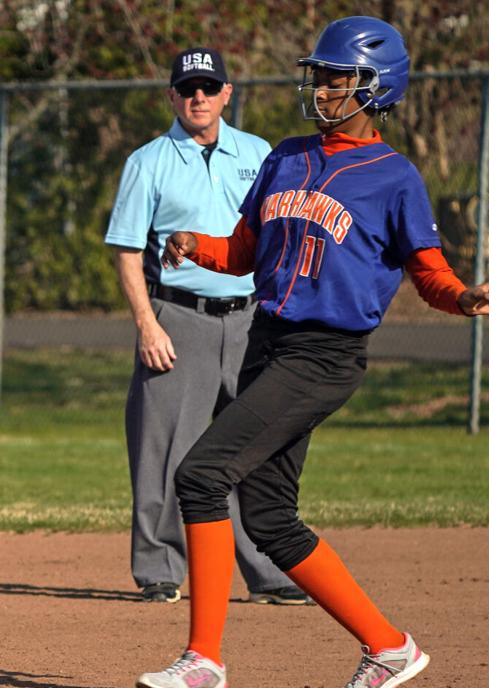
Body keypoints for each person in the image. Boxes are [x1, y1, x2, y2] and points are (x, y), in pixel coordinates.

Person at [134, 17, 489, 688]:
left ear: (376, 88)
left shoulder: (394, 177)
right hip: (268, 342)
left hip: (324, 354)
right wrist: (197, 244)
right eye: (320, 75)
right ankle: (389, 646)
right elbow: (247, 251)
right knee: (271, 516)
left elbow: (426, 271)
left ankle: (204, 660)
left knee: (201, 473)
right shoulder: (286, 156)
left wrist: (465, 297)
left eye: (337, 77)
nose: (322, 87)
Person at [105, 47, 309, 606]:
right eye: (187, 88)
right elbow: (126, 251)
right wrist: (147, 324)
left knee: (255, 448)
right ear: (172, 96)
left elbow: (278, 236)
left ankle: (269, 572)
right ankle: (159, 571)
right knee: (164, 450)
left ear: (227, 93)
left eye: (208, 86)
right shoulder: (148, 161)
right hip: (179, 318)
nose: (198, 96)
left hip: (250, 320)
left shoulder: (259, 153)